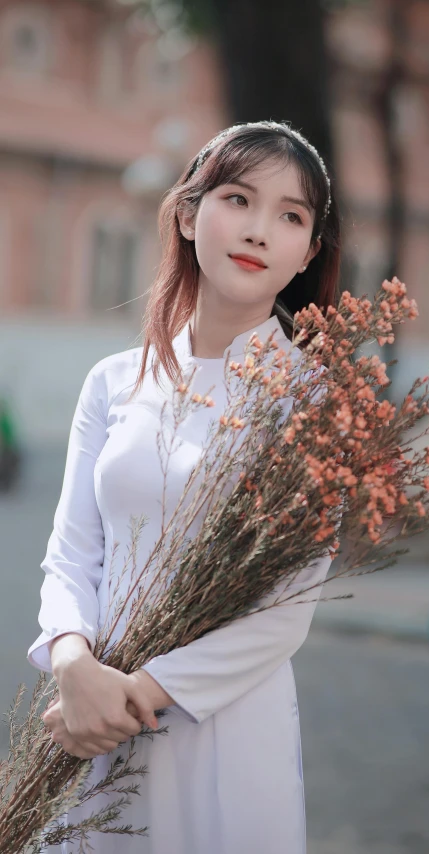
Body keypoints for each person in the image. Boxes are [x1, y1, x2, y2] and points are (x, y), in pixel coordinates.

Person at [29, 120, 341, 854]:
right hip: (90, 719)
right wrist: (74, 665)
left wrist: (138, 694)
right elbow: (72, 556)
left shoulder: (314, 402)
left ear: (308, 253)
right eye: (239, 199)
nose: (260, 231)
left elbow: (286, 607)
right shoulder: (113, 383)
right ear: (189, 212)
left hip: (222, 727)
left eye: (291, 216)